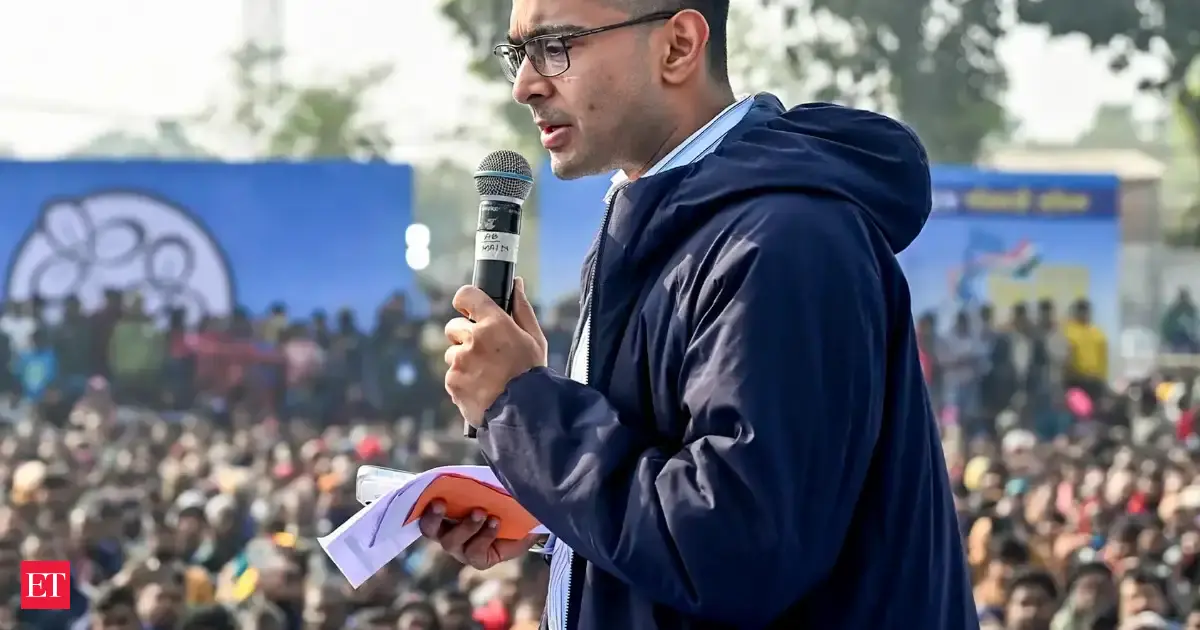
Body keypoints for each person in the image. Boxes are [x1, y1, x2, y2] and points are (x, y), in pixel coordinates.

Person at [419, 0, 974, 628]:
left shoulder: (783, 241)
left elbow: (737, 545)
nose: (525, 85)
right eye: (518, 52)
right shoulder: (674, 223)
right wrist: (548, 508)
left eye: (557, 45)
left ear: (679, 46)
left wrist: (525, 409)